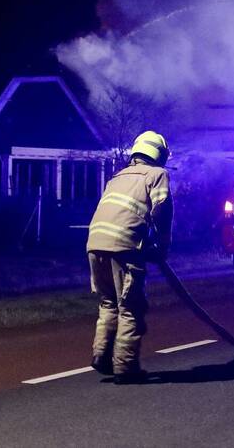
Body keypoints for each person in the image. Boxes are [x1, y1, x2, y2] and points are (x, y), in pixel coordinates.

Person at [86, 131, 173, 384]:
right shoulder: (157, 175)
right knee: (130, 308)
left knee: (108, 303)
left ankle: (101, 356)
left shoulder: (117, 176)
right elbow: (162, 211)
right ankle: (125, 368)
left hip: (95, 244)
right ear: (160, 154)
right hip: (125, 247)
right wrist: (162, 246)